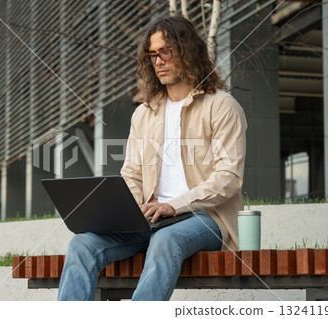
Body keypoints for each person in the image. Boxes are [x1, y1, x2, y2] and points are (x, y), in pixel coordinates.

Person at [57, 15, 247, 301]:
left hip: (206, 218)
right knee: (81, 244)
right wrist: (125, 211)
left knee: (165, 238)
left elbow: (228, 178)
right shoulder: (144, 113)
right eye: (152, 54)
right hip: (150, 219)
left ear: (188, 51)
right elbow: (132, 175)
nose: (157, 61)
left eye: (165, 52)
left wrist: (173, 205)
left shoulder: (221, 107)